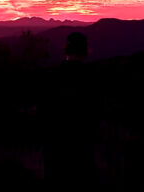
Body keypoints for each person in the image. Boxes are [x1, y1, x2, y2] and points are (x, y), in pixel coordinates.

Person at [43, 32, 100, 191]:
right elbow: (95, 111)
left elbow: (45, 111)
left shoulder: (53, 75)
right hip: (83, 147)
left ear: (66, 49)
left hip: (57, 148)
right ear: (85, 50)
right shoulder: (92, 77)